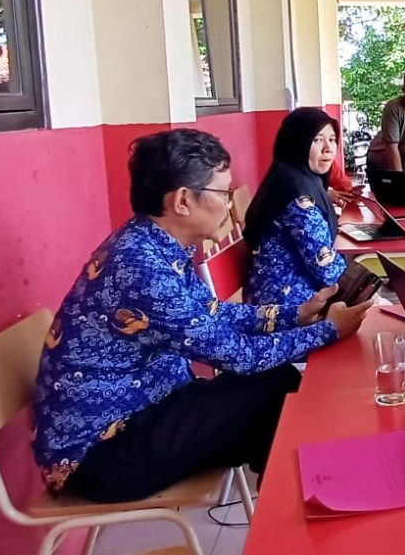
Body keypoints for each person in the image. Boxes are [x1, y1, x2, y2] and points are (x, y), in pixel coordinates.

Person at [31, 129, 373, 503]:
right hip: (102, 454)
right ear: (182, 201)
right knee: (278, 389)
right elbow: (238, 355)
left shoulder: (156, 244)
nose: (229, 204)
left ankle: (292, 500)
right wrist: (328, 330)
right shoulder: (141, 268)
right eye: (224, 192)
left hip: (149, 408)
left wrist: (294, 315)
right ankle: (297, 503)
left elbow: (211, 313)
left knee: (275, 390)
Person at [244, 107, 348, 309]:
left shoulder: (288, 178)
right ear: (297, 143)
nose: (328, 148)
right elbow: (327, 270)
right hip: (286, 306)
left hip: (275, 293)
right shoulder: (298, 197)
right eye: (317, 140)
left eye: (332, 139)